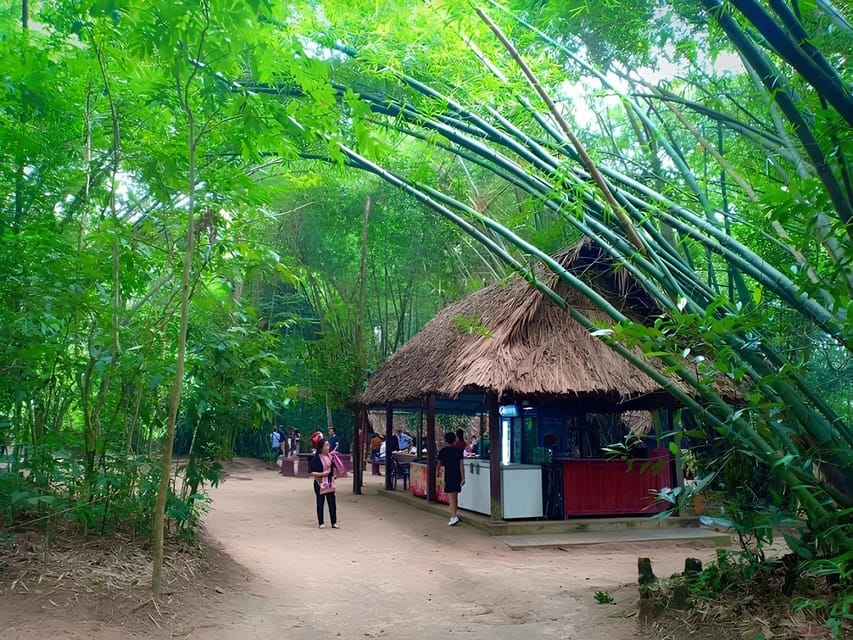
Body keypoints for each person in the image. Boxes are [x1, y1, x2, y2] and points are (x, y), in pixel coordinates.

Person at [308, 439, 341, 529]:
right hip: (320, 483)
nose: (328, 447)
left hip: (330, 483)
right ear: (321, 447)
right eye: (326, 445)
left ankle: (334, 522)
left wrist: (334, 474)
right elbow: (311, 472)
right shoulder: (316, 458)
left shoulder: (331, 457)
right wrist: (323, 474)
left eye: (328, 445)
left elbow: (335, 468)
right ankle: (321, 522)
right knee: (320, 503)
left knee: (332, 503)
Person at [436, 431, 465, 526]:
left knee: (450, 496)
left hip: (448, 475)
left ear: (445, 440)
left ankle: (453, 516)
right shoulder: (459, 451)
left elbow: (439, 464)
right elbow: (461, 465)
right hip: (457, 475)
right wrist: (463, 477)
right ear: (455, 440)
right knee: (455, 495)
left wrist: (437, 473)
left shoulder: (443, 451)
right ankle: (454, 514)